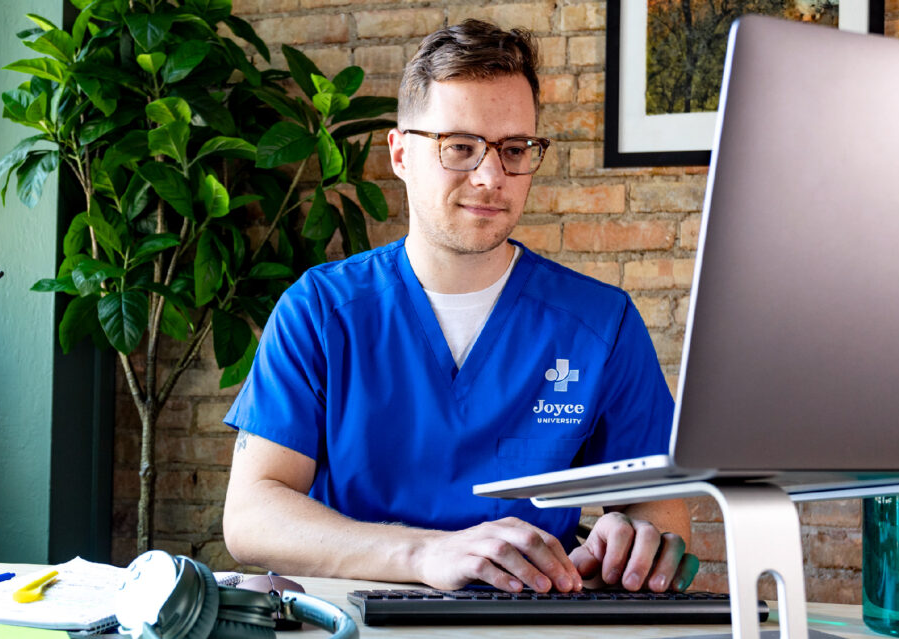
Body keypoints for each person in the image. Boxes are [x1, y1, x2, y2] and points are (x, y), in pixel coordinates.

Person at [221, 19, 698, 595]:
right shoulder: (320, 310)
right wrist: (425, 553)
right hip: (356, 616)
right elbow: (251, 516)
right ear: (401, 154)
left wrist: (632, 544)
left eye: (514, 149)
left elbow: (660, 516)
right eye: (460, 147)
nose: (491, 176)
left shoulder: (602, 324)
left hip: (534, 622)